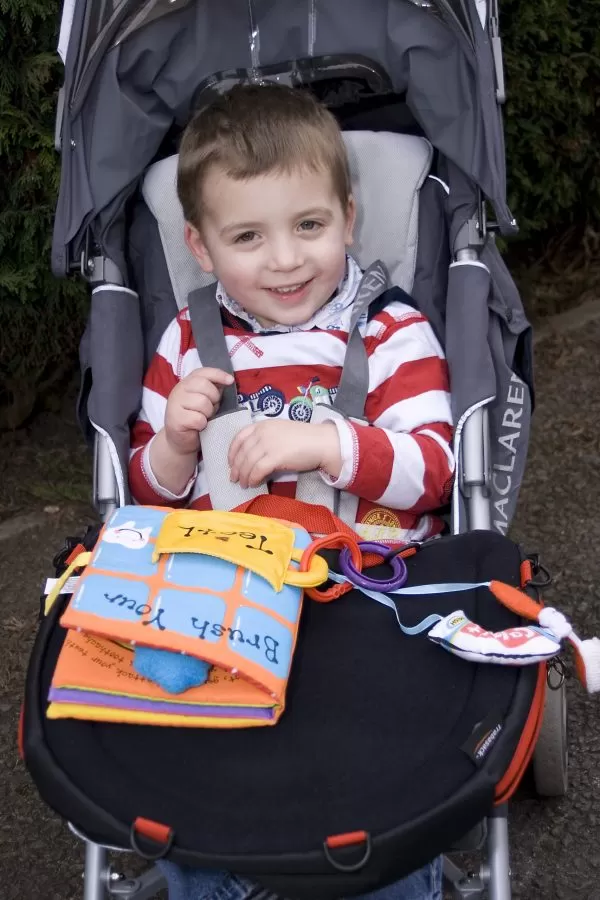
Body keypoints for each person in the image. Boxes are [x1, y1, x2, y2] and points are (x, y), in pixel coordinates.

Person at [129, 83, 452, 900]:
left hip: (366, 584)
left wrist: (328, 443)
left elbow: (434, 468)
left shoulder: (389, 330)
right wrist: (173, 442)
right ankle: (221, 876)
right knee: (173, 737)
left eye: (309, 226)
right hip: (223, 595)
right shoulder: (186, 341)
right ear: (201, 249)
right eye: (248, 236)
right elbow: (148, 501)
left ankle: (385, 873)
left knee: (387, 753)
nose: (285, 259)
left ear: (349, 217)